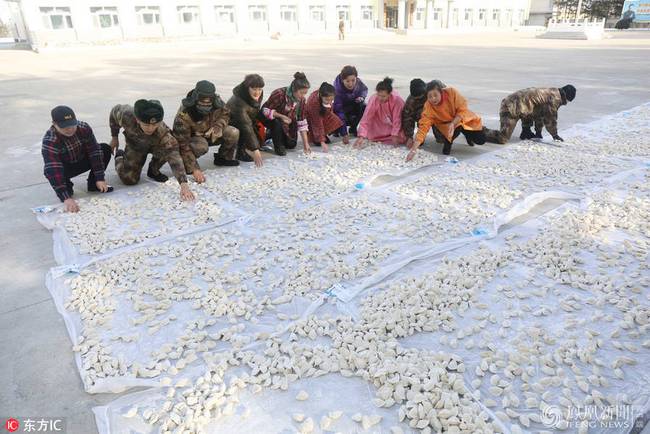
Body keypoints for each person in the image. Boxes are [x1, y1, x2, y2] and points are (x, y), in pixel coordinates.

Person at [110, 99, 195, 201]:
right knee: (129, 179)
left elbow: (175, 159)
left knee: (168, 150)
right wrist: (114, 137)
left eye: (155, 125)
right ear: (137, 119)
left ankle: (153, 170)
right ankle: (120, 156)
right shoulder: (127, 115)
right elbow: (114, 113)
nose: (150, 128)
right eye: (146, 125)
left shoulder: (164, 135)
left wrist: (184, 185)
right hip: (135, 146)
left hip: (156, 146)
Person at [42, 105, 113, 213]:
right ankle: (67, 189)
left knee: (104, 149)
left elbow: (94, 152)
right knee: (65, 191)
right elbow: (53, 169)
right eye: (64, 127)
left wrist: (100, 177)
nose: (70, 129)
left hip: (81, 160)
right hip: (64, 168)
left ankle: (94, 184)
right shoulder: (50, 140)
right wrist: (66, 197)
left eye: (72, 125)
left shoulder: (83, 128)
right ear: (54, 124)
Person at [173, 80, 239, 182]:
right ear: (195, 99)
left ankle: (223, 158)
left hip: (212, 133)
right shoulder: (184, 114)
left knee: (233, 132)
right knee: (201, 146)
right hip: (195, 139)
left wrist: (218, 126)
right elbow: (182, 144)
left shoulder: (217, 102)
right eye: (202, 103)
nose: (205, 106)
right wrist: (194, 168)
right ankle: (187, 165)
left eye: (208, 104)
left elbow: (226, 114)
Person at [407, 80, 486, 160]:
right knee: (445, 148)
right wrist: (413, 150)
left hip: (462, 118)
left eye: (435, 95)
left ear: (441, 92)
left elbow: (462, 108)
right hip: (446, 125)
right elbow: (423, 128)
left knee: (480, 140)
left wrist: (453, 123)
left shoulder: (451, 93)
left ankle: (467, 134)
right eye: (430, 96)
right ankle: (449, 140)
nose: (433, 99)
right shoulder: (428, 107)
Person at [484, 85, 577, 143]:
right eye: (567, 101)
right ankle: (480, 131)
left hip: (521, 105)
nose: (566, 103)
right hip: (510, 106)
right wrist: (555, 135)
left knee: (532, 110)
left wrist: (538, 132)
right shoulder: (554, 99)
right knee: (502, 138)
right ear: (565, 96)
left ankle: (526, 131)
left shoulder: (552, 92)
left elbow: (540, 114)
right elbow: (550, 119)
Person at [260, 72, 311, 156]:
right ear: (294, 89)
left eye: (305, 93)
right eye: (301, 93)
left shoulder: (302, 100)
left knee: (291, 145)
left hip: (287, 120)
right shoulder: (279, 93)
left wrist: (306, 144)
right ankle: (275, 142)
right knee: (277, 124)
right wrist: (281, 116)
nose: (303, 96)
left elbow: (301, 120)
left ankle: (273, 135)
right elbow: (265, 110)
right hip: (270, 118)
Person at [227, 74, 266, 167]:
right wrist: (255, 149)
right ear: (247, 88)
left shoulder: (256, 94)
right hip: (231, 122)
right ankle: (239, 152)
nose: (257, 92)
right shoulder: (239, 101)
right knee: (245, 129)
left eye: (259, 89)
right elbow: (245, 125)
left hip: (247, 119)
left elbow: (254, 111)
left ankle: (243, 149)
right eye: (254, 89)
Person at [354, 77, 407, 147]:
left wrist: (394, 134)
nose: (380, 98)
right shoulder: (374, 99)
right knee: (370, 135)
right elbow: (366, 118)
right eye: (379, 95)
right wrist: (361, 136)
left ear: (389, 94)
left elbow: (397, 119)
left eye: (383, 96)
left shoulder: (397, 100)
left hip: (392, 124)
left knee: (402, 137)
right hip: (378, 123)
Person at [401, 78, 447, 148]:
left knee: (442, 139)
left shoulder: (435, 87)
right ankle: (421, 136)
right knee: (419, 142)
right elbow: (407, 119)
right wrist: (409, 137)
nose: (419, 99)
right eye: (417, 98)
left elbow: (449, 97)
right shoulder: (411, 101)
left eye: (421, 97)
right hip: (422, 117)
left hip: (438, 114)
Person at [304, 82, 343, 151]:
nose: (329, 102)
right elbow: (317, 124)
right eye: (327, 100)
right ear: (321, 96)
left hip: (324, 115)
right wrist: (322, 142)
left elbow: (330, 111)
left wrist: (344, 135)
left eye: (331, 100)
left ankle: (324, 134)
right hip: (311, 121)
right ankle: (315, 136)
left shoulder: (326, 96)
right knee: (320, 142)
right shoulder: (314, 104)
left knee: (337, 121)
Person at [333, 65, 367, 142]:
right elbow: (339, 111)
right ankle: (337, 130)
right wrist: (344, 134)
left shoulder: (358, 82)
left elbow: (364, 89)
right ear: (342, 80)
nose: (350, 84)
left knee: (364, 106)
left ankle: (353, 127)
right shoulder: (337, 91)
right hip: (341, 111)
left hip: (352, 106)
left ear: (356, 78)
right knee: (337, 113)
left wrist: (361, 97)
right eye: (347, 81)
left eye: (353, 80)